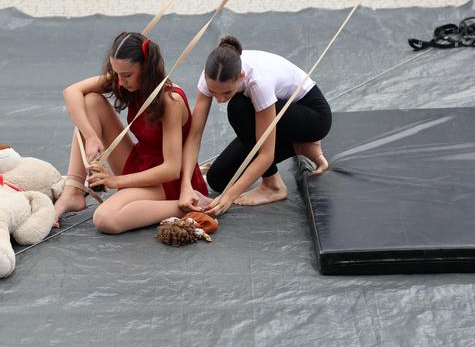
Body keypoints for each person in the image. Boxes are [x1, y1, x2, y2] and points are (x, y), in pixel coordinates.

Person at [54, 31, 209, 233]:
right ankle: (72, 193)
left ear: (146, 68)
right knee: (91, 101)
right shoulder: (124, 79)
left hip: (167, 180)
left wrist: (115, 181)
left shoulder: (171, 100)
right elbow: (71, 92)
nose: (120, 81)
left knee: (105, 218)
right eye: (116, 73)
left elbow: (171, 168)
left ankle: (190, 204)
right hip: (140, 160)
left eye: (126, 75)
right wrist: (91, 136)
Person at [179, 35, 332, 217]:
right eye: (213, 92)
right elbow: (194, 137)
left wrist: (228, 198)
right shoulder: (209, 76)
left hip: (313, 116)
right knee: (218, 179)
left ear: (241, 77)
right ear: (206, 76)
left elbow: (266, 155)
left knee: (238, 107)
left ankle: (272, 185)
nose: (219, 100)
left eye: (226, 91)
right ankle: (300, 145)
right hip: (279, 116)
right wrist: (185, 186)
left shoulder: (259, 82)